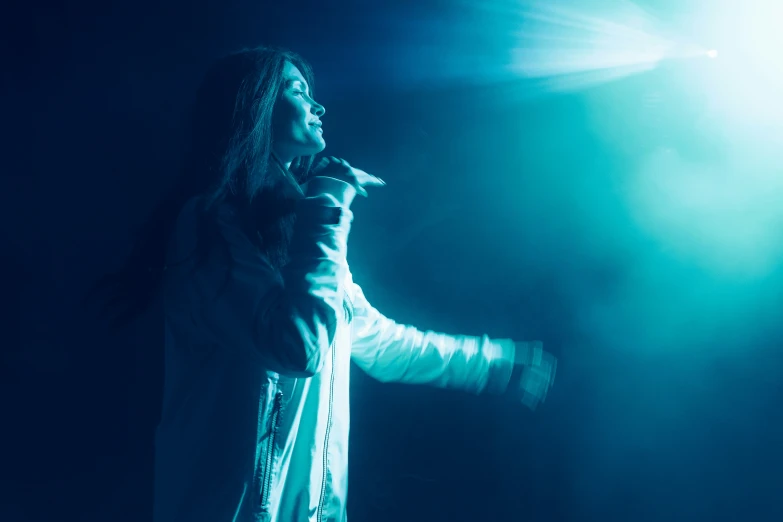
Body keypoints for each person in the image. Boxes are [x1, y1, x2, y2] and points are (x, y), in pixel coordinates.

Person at [94, 46, 557, 522]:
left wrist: (494, 362)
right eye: (297, 91)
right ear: (251, 108)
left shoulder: (299, 239)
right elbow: (298, 349)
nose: (319, 107)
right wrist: (329, 203)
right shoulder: (208, 224)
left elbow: (382, 343)